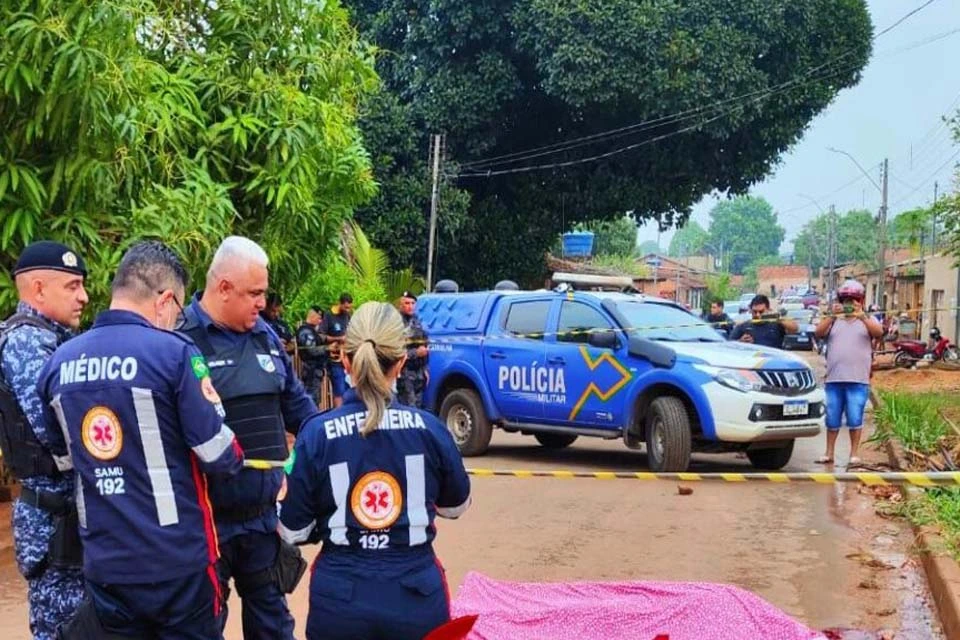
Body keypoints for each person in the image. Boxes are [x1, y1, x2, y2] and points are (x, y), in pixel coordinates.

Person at [37, 241, 245, 638]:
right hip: (178, 564)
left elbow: (64, 460)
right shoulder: (174, 354)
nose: (177, 322)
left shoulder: (58, 364)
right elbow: (219, 454)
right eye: (178, 313)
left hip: (106, 566)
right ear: (165, 301)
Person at [278, 302, 471, 640]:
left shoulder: (316, 433)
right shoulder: (431, 429)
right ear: (401, 361)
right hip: (416, 597)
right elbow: (456, 505)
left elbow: (292, 529)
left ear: (345, 359)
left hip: (339, 602)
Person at [179, 236, 316, 640]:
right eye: (254, 293)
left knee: (273, 628)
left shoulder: (265, 336)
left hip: (262, 520)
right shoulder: (181, 341)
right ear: (224, 287)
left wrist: (331, 440)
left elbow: (299, 408)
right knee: (202, 629)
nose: (262, 303)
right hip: (206, 525)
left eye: (263, 293)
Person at [0, 241, 87, 640]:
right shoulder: (27, 343)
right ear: (38, 289)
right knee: (62, 628)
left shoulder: (56, 341)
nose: (83, 297)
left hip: (65, 516)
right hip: (54, 522)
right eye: (72, 286)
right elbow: (58, 433)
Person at [814, 279, 884, 466]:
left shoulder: (867, 320)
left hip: (858, 380)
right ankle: (829, 452)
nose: (849, 304)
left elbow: (878, 333)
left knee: (855, 417)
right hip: (834, 379)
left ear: (860, 301)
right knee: (832, 417)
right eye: (845, 300)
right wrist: (831, 316)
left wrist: (862, 316)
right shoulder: (834, 321)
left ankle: (854, 454)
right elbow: (818, 333)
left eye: (853, 300)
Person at [397, 291, 429, 408]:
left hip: (419, 372)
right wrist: (415, 353)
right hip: (404, 372)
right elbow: (395, 351)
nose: (410, 306)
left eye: (412, 303)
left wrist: (425, 369)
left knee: (418, 407)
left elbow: (424, 344)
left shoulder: (417, 321)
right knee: (408, 407)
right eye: (407, 303)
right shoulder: (396, 323)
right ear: (400, 305)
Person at [729, 294, 798, 349]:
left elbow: (795, 329)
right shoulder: (744, 326)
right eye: (754, 311)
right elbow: (729, 345)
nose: (757, 315)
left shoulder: (776, 324)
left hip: (774, 359)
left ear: (768, 309)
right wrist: (740, 342)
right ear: (750, 310)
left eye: (761, 312)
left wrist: (778, 319)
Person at [322, 293, 354, 408]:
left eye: (349, 307)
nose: (347, 310)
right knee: (339, 390)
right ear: (340, 304)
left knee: (349, 389)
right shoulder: (329, 315)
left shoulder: (348, 316)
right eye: (345, 307)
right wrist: (338, 339)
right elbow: (321, 336)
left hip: (348, 359)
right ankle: (339, 412)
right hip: (335, 359)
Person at [296, 306, 326, 401]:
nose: (320, 321)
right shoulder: (305, 331)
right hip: (311, 370)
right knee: (312, 398)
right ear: (312, 316)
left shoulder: (312, 331)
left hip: (315, 369)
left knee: (315, 398)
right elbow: (312, 350)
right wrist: (327, 349)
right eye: (319, 318)